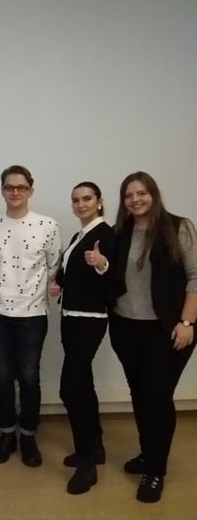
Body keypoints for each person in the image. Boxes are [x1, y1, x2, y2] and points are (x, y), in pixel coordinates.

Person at [109, 171, 196, 503]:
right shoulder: (120, 232)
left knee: (157, 395)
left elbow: (195, 277)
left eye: (141, 193)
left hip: (168, 328)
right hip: (127, 327)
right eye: (129, 195)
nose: (135, 200)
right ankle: (148, 453)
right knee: (140, 393)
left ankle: (156, 470)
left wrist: (187, 322)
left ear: (154, 195)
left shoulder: (178, 227)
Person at [0, 165, 61, 467]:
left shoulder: (47, 225)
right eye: (9, 187)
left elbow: (55, 266)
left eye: (21, 187)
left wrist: (51, 287)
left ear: (31, 190)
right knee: (2, 377)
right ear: (2, 190)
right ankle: (5, 434)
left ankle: (28, 435)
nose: (15, 192)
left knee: (28, 377)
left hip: (32, 314)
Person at [48, 182, 115, 495]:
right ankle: (96, 445)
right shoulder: (79, 236)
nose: (80, 204)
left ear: (99, 201)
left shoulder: (107, 235)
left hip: (90, 320)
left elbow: (114, 274)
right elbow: (69, 273)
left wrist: (102, 264)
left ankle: (87, 463)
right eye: (75, 200)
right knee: (83, 384)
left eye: (87, 198)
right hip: (71, 318)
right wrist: (58, 284)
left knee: (70, 388)